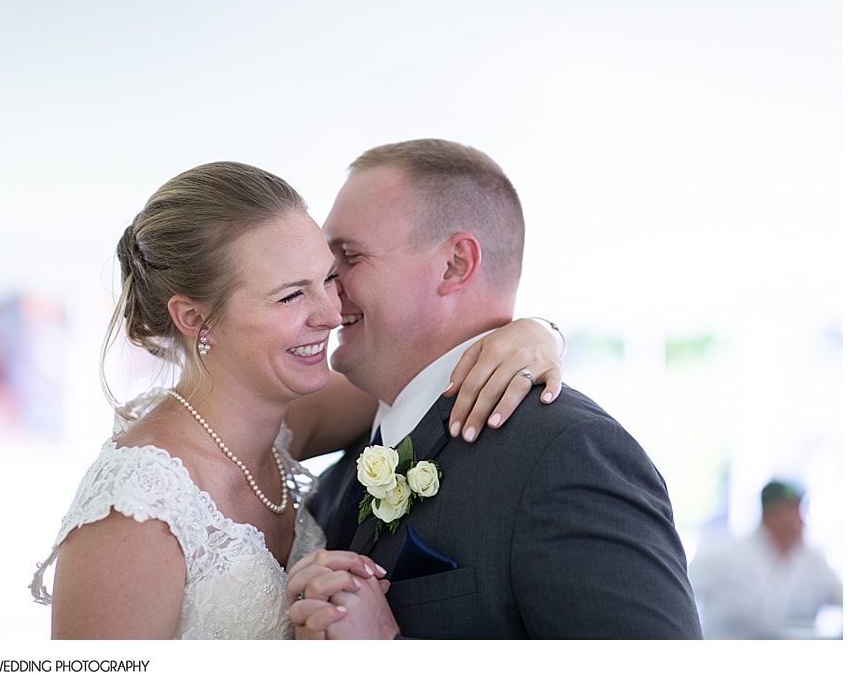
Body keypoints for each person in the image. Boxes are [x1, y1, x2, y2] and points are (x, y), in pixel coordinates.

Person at [29, 161, 565, 639]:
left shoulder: (285, 421)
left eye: (328, 278)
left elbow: (424, 382)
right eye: (291, 295)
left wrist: (536, 332)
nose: (331, 314)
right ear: (194, 318)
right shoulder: (138, 509)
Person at [288, 138, 703, 639]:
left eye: (348, 257)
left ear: (455, 265)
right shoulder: (345, 468)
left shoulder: (566, 454)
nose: (327, 286)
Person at [689, 480, 843, 638]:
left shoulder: (814, 561)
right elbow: (679, 593)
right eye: (792, 510)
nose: (801, 520)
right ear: (771, 514)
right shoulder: (723, 555)